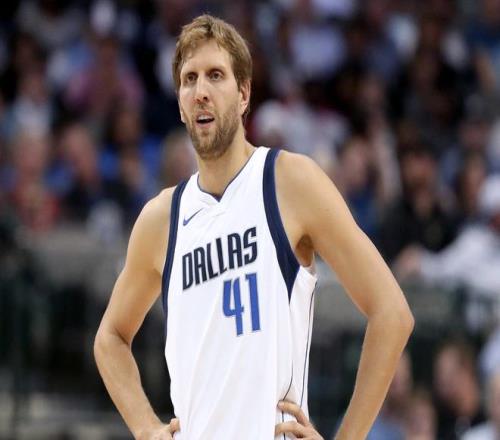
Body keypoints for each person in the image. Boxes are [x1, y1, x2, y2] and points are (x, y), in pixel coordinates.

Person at [94, 14, 414, 440]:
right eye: (189, 79)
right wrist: (145, 427)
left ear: (244, 93)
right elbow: (110, 338)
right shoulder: (161, 219)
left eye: (215, 75)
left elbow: (392, 313)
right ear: (180, 103)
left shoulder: (289, 182)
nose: (201, 91)